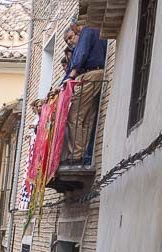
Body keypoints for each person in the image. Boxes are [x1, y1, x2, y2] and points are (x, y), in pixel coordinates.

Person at [62, 23, 106, 165]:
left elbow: (81, 54)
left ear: (76, 29)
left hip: (89, 76)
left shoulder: (87, 30)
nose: (70, 42)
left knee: (73, 115)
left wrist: (71, 75)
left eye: (70, 37)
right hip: (98, 74)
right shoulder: (98, 31)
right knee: (85, 119)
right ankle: (83, 154)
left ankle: (76, 156)